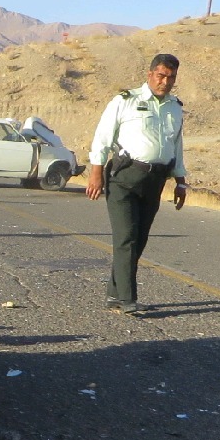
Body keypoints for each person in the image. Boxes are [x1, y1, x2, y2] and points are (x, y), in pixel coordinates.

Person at [86, 54, 188, 315]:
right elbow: (103, 137)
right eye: (161, 75)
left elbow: (177, 145)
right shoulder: (125, 101)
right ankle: (128, 299)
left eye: (171, 77)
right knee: (126, 238)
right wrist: (95, 173)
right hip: (125, 177)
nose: (165, 81)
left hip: (155, 180)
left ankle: (113, 293)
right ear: (150, 73)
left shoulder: (175, 107)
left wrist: (180, 181)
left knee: (138, 240)